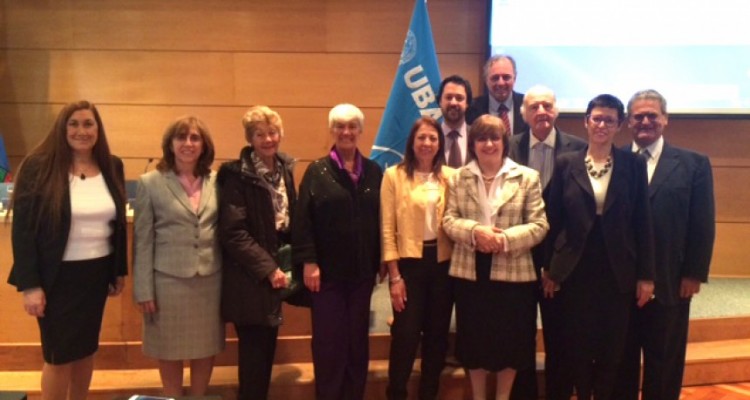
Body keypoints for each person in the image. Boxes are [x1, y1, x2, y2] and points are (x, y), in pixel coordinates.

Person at [7, 100, 127, 400]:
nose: (81, 130)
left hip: (95, 275)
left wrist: (118, 270)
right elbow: (23, 232)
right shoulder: (39, 166)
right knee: (58, 356)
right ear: (62, 129)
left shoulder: (112, 165)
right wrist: (30, 285)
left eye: (88, 124)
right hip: (56, 278)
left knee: (86, 351)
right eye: (73, 124)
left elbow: (119, 225)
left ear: (98, 129)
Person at [542, 94, 655, 400]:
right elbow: (552, 218)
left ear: (619, 126)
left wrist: (646, 275)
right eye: (597, 118)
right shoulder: (567, 163)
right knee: (577, 347)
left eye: (609, 120)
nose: (602, 125)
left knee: (612, 348)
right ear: (586, 122)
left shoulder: (633, 165)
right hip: (575, 269)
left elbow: (643, 223)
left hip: (617, 270)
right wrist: (548, 269)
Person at [614, 90, 716, 400]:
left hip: (671, 281)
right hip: (621, 284)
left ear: (665, 119)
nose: (645, 121)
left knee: (665, 361)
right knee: (622, 361)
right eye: (638, 116)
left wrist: (694, 273)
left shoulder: (693, 164)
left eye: (652, 115)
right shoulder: (613, 160)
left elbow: (702, 223)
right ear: (628, 122)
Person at [442, 114, 549, 400]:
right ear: (473, 144)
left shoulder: (527, 177)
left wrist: (503, 239)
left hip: (514, 274)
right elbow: (449, 220)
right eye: (481, 138)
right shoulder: (458, 178)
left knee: (510, 345)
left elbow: (540, 225)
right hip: (471, 273)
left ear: (504, 142)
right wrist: (476, 232)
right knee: (474, 343)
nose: (488, 144)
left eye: (494, 138)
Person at [292, 103, 383, 400]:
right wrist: (308, 261)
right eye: (340, 126)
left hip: (361, 274)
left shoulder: (373, 171)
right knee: (329, 343)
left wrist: (381, 259)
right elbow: (302, 221)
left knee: (357, 341)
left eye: (352, 126)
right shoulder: (317, 171)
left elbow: (382, 219)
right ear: (332, 131)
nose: (346, 132)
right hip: (326, 276)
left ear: (360, 130)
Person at [133, 116, 223, 396]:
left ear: (203, 144)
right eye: (181, 137)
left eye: (195, 138)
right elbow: (143, 241)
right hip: (167, 283)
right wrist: (143, 289)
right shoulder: (150, 183)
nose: (188, 143)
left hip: (209, 280)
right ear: (170, 144)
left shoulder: (218, 181)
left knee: (205, 347)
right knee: (169, 349)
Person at [507, 85, 586, 400]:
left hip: (561, 260)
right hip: (517, 258)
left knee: (559, 336)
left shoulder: (579, 149)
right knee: (519, 335)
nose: (541, 111)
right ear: (524, 114)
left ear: (556, 110)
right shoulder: (508, 147)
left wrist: (555, 266)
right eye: (534, 106)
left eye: (547, 105)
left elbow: (579, 215)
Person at [217, 105, 296, 400]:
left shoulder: (284, 169)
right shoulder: (236, 175)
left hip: (275, 273)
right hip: (249, 277)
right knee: (254, 356)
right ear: (250, 138)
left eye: (272, 132)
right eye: (259, 134)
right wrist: (268, 269)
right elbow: (233, 233)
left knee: (267, 350)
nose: (267, 139)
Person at [381, 117, 456, 399]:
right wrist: (394, 276)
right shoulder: (394, 176)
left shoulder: (451, 176)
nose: (427, 143)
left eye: (433, 138)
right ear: (412, 142)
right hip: (409, 266)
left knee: (437, 338)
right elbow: (387, 228)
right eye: (421, 138)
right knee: (406, 336)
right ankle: (396, 392)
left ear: (440, 144)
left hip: (443, 265)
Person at [466, 55, 529, 135]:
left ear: (515, 78)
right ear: (486, 80)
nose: (501, 83)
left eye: (506, 77)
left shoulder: (527, 105)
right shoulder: (471, 108)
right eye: (495, 78)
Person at [438, 75, 473, 168]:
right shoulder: (431, 137)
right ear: (440, 101)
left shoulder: (477, 136)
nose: (453, 103)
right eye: (448, 97)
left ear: (467, 103)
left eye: (459, 98)